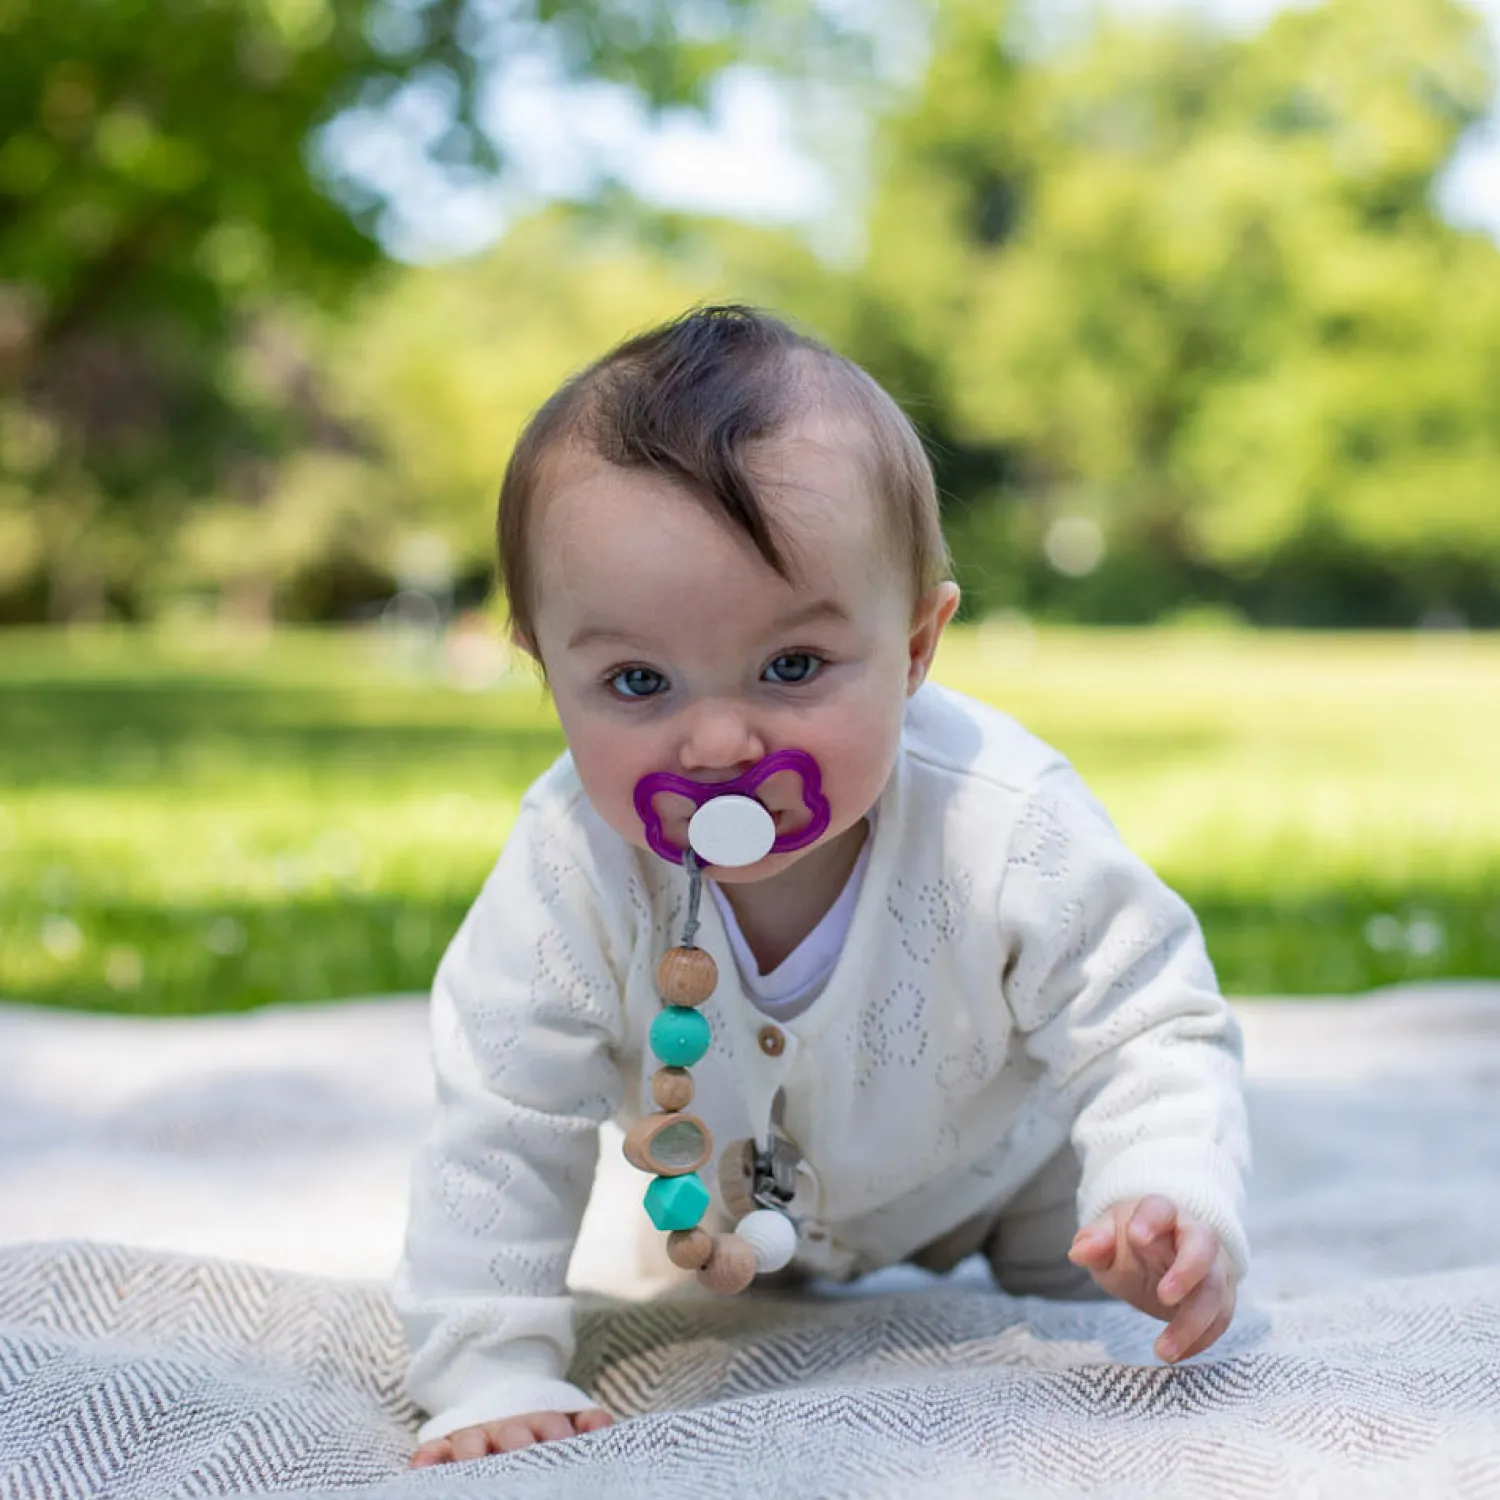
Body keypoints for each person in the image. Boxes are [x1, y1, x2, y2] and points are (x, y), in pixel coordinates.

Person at [399, 305, 1250, 1468]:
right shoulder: (568, 864)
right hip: (725, 1216)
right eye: (637, 680)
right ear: (549, 674)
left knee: (1118, 1296)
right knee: (715, 1290)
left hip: (1013, 1175)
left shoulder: (1001, 818)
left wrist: (1165, 1192)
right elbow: (501, 1118)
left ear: (913, 647)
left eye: (792, 666)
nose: (715, 741)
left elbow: (1147, 1016)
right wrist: (485, 1365)